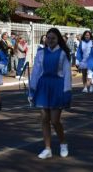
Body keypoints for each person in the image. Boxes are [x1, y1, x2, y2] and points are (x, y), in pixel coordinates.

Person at [29, 28, 72, 159]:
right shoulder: (40, 53)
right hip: (43, 87)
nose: (50, 40)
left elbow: (67, 75)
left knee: (55, 120)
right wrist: (32, 90)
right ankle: (47, 148)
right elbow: (36, 72)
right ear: (45, 39)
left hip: (57, 87)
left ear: (58, 39)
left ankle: (63, 143)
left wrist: (67, 93)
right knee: (44, 119)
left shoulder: (63, 54)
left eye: (53, 38)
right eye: (48, 38)